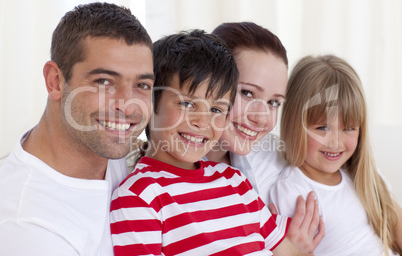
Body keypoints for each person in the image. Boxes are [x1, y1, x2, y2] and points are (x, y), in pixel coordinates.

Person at [110, 30, 313, 256]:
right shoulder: (139, 197)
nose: (202, 122)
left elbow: (291, 252)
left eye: (216, 109)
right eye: (187, 104)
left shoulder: (236, 181)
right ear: (150, 103)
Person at [0, 2, 155, 256]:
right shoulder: (27, 227)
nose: (128, 108)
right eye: (104, 82)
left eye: (142, 85)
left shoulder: (114, 148)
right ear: (55, 81)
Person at [206, 22, 324, 252]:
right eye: (247, 93)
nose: (261, 118)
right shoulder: (163, 180)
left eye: (273, 103)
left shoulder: (270, 160)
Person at [269, 54, 402, 256]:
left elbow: (396, 224)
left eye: (348, 128)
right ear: (294, 125)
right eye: (322, 128)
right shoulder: (294, 191)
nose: (336, 143)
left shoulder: (363, 174)